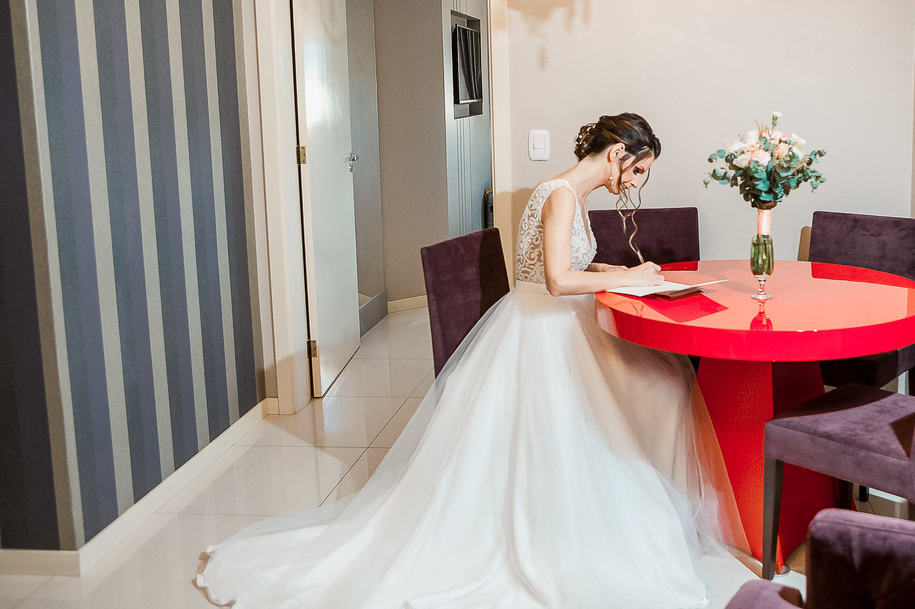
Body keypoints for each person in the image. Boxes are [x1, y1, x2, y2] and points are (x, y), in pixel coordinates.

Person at [196, 113, 736, 609]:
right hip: (543, 330)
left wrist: (617, 273)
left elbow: (567, 263)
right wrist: (629, 277)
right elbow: (554, 280)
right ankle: (583, 527)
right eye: (638, 170)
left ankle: (623, 511)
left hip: (557, 322)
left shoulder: (569, 193)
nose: (636, 182)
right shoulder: (560, 195)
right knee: (642, 392)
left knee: (660, 381)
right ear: (617, 153)